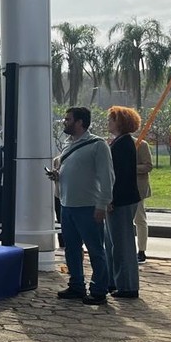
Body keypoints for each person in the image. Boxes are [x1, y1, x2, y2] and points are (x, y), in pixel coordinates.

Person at [47, 106, 114, 305]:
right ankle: (76, 285)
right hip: (67, 205)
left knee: (95, 250)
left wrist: (102, 204)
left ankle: (99, 289)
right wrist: (57, 176)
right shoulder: (68, 145)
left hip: (88, 206)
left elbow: (107, 177)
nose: (64, 122)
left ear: (80, 122)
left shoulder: (97, 145)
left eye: (68, 119)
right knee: (72, 249)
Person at [105, 106, 142, 298]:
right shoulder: (120, 142)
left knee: (122, 245)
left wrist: (111, 199)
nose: (108, 122)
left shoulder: (123, 144)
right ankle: (114, 281)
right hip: (121, 199)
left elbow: (119, 176)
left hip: (121, 200)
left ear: (120, 122)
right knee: (112, 243)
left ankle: (127, 285)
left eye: (111, 119)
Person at [134, 137, 153, 263]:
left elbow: (148, 166)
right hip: (119, 189)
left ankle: (141, 251)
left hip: (137, 189)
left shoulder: (141, 144)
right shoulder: (112, 143)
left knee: (140, 220)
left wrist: (131, 168)